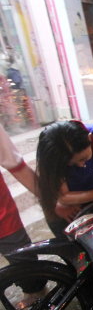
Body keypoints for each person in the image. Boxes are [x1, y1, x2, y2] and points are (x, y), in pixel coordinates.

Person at [0, 124, 44, 298]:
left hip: (3, 218)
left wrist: (54, 202)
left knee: (30, 273)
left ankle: (41, 309)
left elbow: (16, 165)